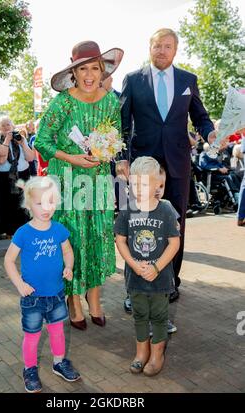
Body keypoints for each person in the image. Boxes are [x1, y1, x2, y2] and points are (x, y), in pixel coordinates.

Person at [118, 28, 215, 302]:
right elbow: (123, 124)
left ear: (176, 50)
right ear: (150, 47)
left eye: (168, 46)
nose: (162, 50)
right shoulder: (133, 80)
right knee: (138, 223)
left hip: (177, 164)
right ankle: (136, 287)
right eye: (158, 45)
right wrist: (121, 158)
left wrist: (210, 133)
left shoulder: (188, 80)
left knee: (175, 223)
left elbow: (201, 117)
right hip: (143, 165)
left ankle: (170, 281)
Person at [35, 40, 124, 330]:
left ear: (102, 71)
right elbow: (42, 140)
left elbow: (115, 136)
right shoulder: (63, 102)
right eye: (82, 68)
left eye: (94, 68)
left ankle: (95, 298)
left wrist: (103, 153)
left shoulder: (111, 101)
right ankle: (73, 302)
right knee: (72, 240)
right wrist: (70, 156)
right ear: (73, 71)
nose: (89, 75)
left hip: (97, 179)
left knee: (97, 237)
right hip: (67, 180)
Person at [4, 176, 80, 393]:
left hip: (56, 294)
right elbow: (8, 260)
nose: (46, 208)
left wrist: (69, 267)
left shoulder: (58, 229)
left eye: (51, 202)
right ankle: (29, 368)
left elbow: (67, 251)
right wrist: (19, 284)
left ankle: (59, 362)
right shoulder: (23, 233)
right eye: (40, 203)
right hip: (32, 297)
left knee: (57, 331)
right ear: (29, 205)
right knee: (32, 335)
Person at [115, 157, 180, 376]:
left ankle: (157, 354)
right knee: (139, 314)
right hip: (135, 277)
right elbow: (121, 240)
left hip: (159, 278)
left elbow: (174, 242)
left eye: (143, 185)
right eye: (134, 184)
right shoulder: (127, 210)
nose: (137, 189)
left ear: (157, 185)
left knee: (159, 317)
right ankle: (141, 352)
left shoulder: (166, 210)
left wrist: (157, 267)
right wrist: (133, 264)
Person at [0, 116, 35, 236]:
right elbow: (1, 161)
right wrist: (7, 140)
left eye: (8, 124)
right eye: (3, 125)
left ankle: (25, 230)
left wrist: (23, 143)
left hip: (23, 174)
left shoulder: (20, 138)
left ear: (13, 126)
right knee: (9, 204)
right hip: (6, 176)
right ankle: (10, 232)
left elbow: (30, 158)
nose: (6, 127)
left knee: (23, 203)